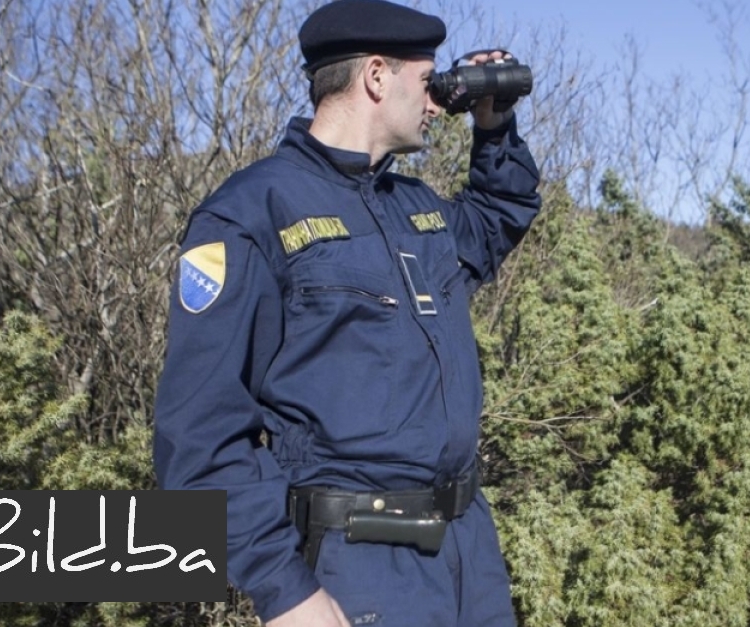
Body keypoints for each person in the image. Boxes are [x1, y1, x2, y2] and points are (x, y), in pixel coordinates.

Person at [151, 0, 541, 624]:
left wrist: (494, 127)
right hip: (357, 567)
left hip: (469, 559)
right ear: (377, 77)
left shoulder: (414, 206)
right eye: (427, 81)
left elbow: (498, 215)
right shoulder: (251, 214)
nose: (437, 102)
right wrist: (284, 590)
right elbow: (199, 436)